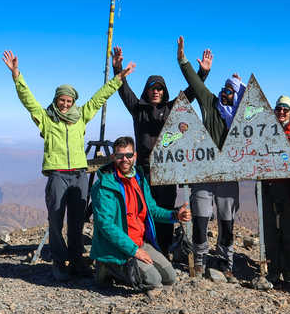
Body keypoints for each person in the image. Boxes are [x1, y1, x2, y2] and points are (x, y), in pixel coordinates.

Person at [3, 49, 135, 282]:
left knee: (76, 221)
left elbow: (99, 98)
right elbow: (28, 101)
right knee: (55, 220)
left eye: (69, 101)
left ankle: (76, 260)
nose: (65, 104)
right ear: (55, 101)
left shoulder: (82, 116)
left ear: (73, 102)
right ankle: (59, 261)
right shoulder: (46, 118)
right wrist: (17, 75)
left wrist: (118, 78)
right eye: (61, 100)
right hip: (57, 175)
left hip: (79, 176)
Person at [109, 45, 208, 255]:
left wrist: (203, 72)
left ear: (164, 92)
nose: (156, 91)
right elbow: (123, 89)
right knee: (142, 210)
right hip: (143, 171)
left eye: (160, 88)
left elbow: (192, 92)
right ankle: (143, 248)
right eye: (152, 88)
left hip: (167, 171)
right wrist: (117, 67)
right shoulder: (138, 109)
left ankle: (163, 251)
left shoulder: (172, 109)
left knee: (165, 210)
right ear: (147, 90)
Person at [176, 36, 244, 276]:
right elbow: (195, 84)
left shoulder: (242, 117)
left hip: (228, 174)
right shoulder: (210, 103)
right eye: (224, 89)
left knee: (227, 219)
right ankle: (200, 258)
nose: (224, 93)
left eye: (230, 91)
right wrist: (184, 61)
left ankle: (226, 261)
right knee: (201, 216)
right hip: (203, 170)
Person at [90, 136, 192, 290]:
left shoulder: (139, 179)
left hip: (139, 242)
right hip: (117, 248)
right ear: (113, 157)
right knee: (153, 280)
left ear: (135, 156)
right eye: (119, 156)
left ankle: (122, 268)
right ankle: (107, 266)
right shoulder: (104, 186)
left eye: (129, 155)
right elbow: (106, 226)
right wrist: (134, 251)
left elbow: (152, 210)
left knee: (170, 277)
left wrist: (175, 215)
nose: (125, 159)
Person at [260, 95, 290, 289]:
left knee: (287, 230)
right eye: (278, 109)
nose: (281, 112)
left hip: (289, 187)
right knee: (269, 229)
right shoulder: (266, 128)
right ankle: (273, 270)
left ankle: (288, 272)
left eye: (285, 110)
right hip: (267, 185)